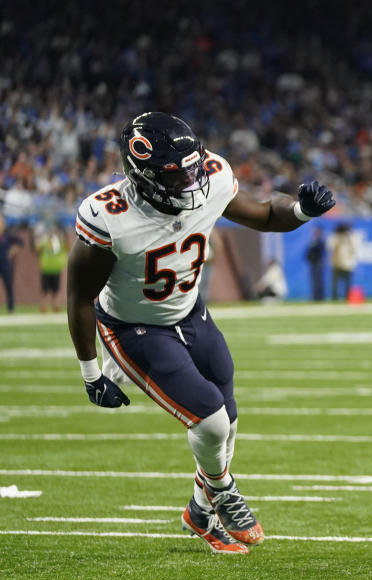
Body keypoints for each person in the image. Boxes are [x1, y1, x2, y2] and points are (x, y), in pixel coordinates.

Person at [66, 112, 336, 555]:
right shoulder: (109, 215)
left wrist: (302, 209)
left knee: (227, 421)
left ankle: (198, 510)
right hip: (134, 327)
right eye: (178, 174)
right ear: (146, 177)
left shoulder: (209, 177)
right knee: (209, 420)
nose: (192, 179)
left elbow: (267, 213)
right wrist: (91, 371)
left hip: (190, 313)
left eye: (194, 167)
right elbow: (79, 297)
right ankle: (224, 491)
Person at [35, 224, 68, 312]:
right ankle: (43, 306)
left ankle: (55, 306)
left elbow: (66, 248)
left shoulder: (59, 242)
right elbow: (37, 249)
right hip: (46, 269)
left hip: (56, 269)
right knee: (44, 290)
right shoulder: (44, 242)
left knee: (55, 290)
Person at [0, 214, 23, 313]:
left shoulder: (8, 234)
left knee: (8, 285)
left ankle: (11, 308)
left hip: (5, 263)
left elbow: (20, 242)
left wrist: (13, 250)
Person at [330, 222, 356, 301]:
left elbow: (353, 249)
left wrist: (347, 239)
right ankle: (335, 298)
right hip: (336, 263)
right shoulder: (335, 238)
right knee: (335, 283)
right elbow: (331, 248)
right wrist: (339, 239)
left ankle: (347, 297)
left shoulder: (351, 238)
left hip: (347, 264)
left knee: (347, 283)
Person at [305, 226, 326, 301]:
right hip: (313, 264)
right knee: (314, 281)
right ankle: (315, 296)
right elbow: (308, 253)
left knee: (318, 281)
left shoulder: (320, 242)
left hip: (318, 263)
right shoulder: (313, 241)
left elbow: (320, 252)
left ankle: (319, 297)